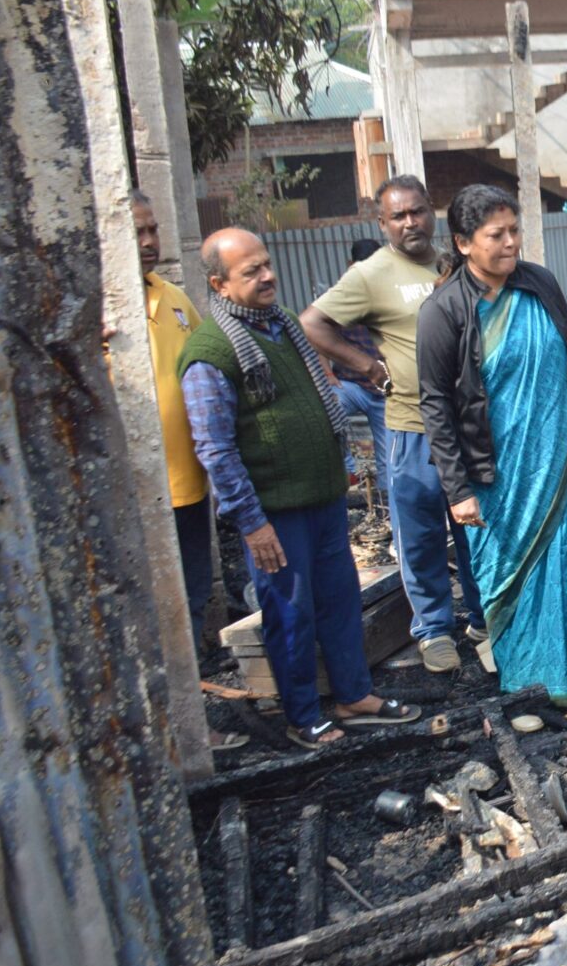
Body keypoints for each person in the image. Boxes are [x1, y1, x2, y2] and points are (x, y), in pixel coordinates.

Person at [180, 229, 420, 748]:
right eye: (251, 271)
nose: (268, 276)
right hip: (273, 513)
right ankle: (302, 714)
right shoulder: (210, 353)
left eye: (266, 264)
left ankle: (354, 694)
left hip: (322, 497)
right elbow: (216, 450)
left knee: (338, 599)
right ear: (220, 284)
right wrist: (251, 522)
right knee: (290, 613)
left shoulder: (283, 324)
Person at [419, 186, 567, 723]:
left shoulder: (540, 284)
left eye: (514, 231)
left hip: (552, 466)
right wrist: (457, 490)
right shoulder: (444, 312)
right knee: (511, 580)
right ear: (464, 243)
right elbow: (436, 406)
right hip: (495, 476)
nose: (511, 243)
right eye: (496, 235)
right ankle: (529, 692)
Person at [300, 176, 483, 674]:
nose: (411, 223)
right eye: (398, 216)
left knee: (475, 527)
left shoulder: (456, 262)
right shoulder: (370, 274)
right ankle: (434, 630)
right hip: (411, 426)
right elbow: (312, 323)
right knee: (420, 533)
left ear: (432, 211)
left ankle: (485, 620)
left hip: (467, 427)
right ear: (382, 224)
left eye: (418, 212)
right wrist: (365, 367)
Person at [129, 192, 248, 754]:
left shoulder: (174, 300)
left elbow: (215, 362)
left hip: (187, 491)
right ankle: (156, 738)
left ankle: (192, 727)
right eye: (138, 232)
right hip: (133, 505)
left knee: (190, 603)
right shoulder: (101, 314)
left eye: (153, 229)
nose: (149, 241)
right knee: (144, 623)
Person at [332, 237, 393, 519]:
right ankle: (347, 469)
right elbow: (311, 332)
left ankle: (390, 512)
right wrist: (323, 375)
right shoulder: (340, 296)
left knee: (390, 461)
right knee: (327, 405)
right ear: (350, 266)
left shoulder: (390, 293)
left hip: (386, 392)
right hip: (351, 386)